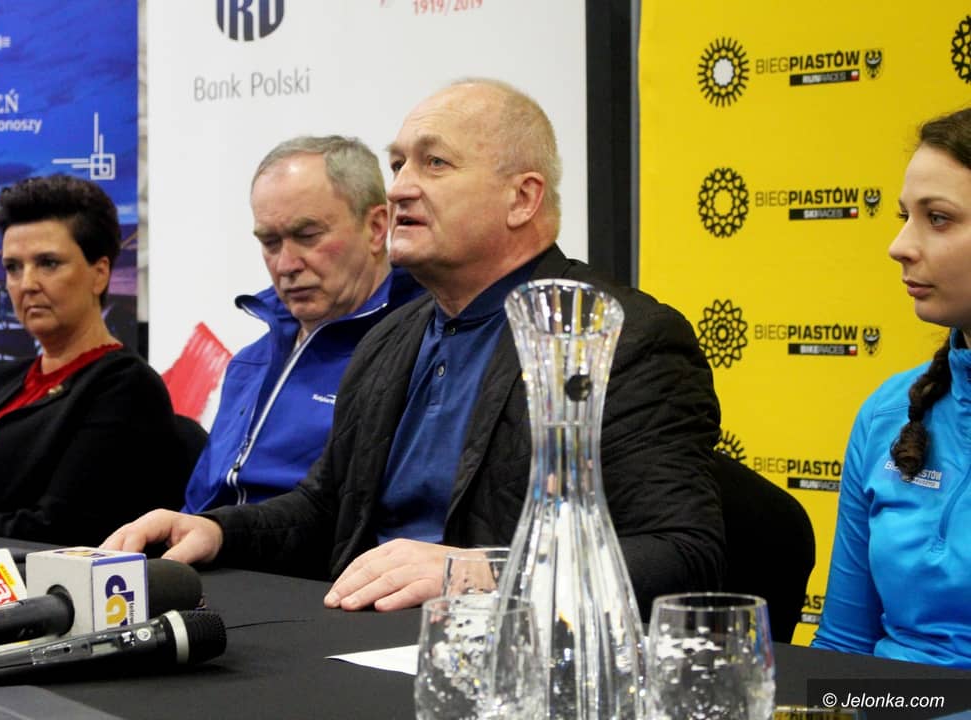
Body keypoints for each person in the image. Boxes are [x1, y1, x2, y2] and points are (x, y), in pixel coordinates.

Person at [104, 79, 724, 617]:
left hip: (510, 659)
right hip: (358, 638)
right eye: (398, 163)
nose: (399, 187)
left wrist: (481, 574)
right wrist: (215, 530)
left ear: (522, 198)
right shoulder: (390, 339)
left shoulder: (620, 338)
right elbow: (325, 509)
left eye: (434, 164)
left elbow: (681, 554)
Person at [0, 174, 190, 546]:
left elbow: (62, 527)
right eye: (13, 267)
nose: (26, 283)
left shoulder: (126, 386)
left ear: (100, 274)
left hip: (13, 577)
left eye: (48, 263)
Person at [182, 136, 424, 513]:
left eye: (307, 236)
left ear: (377, 228)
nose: (285, 264)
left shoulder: (419, 354)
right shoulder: (250, 362)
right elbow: (197, 505)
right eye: (270, 242)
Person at [813, 107, 971, 668]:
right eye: (906, 216)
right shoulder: (889, 412)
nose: (899, 245)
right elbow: (842, 652)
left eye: (939, 219)